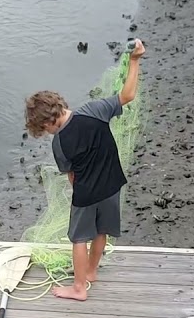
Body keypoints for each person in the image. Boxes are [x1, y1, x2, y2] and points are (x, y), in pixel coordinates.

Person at [23, 38, 144, 301]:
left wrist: (79, 190)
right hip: (112, 184)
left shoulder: (60, 143)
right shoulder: (95, 110)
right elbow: (127, 95)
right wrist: (134, 60)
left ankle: (79, 289)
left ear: (48, 123)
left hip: (86, 193)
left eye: (43, 129)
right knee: (102, 231)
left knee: (79, 237)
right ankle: (90, 272)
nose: (45, 133)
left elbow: (71, 175)